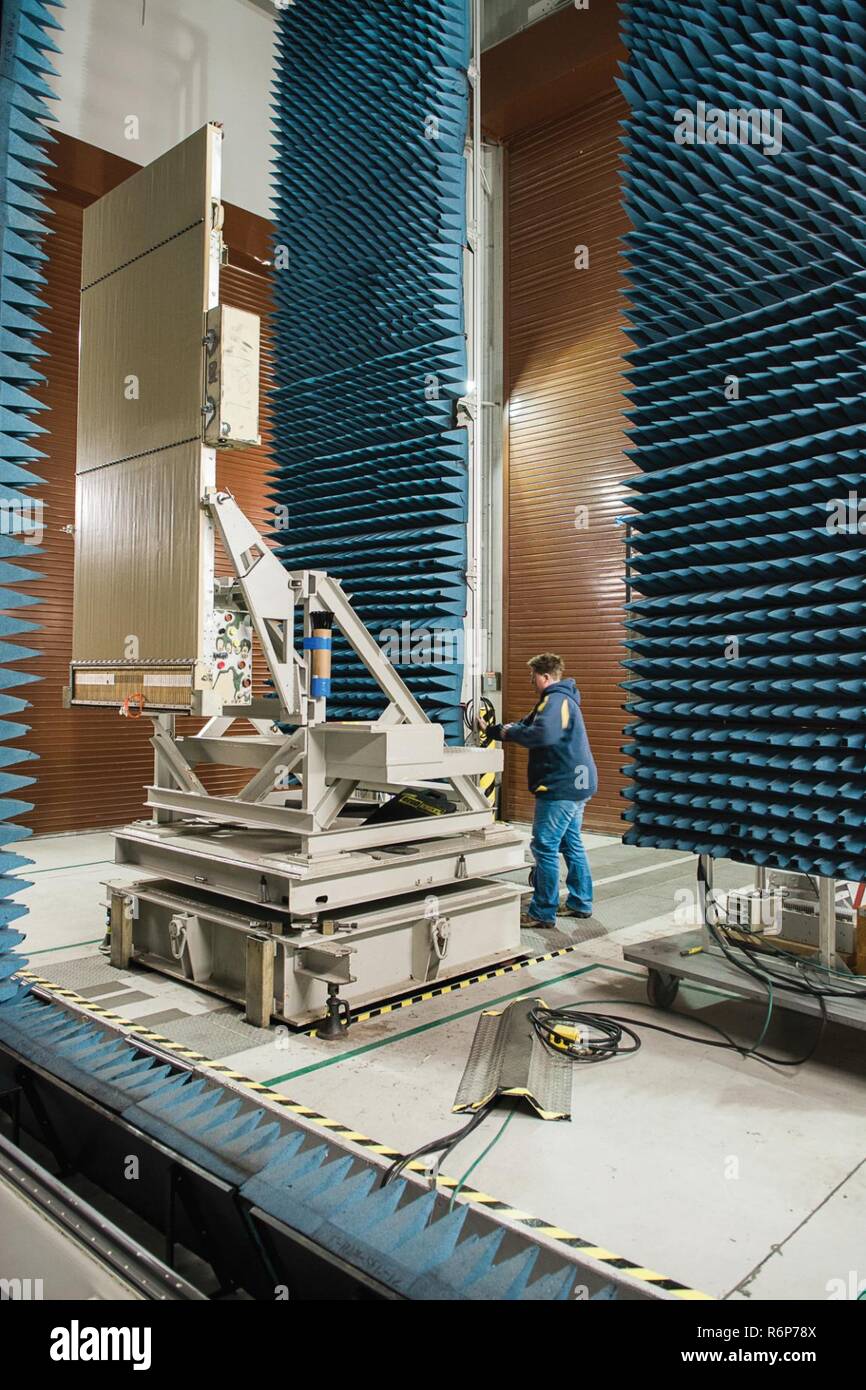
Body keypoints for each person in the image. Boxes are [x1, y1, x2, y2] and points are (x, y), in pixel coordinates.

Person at [487, 653, 597, 929]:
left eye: (533, 676)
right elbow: (530, 725)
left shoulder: (555, 700)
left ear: (545, 677)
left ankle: (542, 912)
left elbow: (542, 734)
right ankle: (580, 902)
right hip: (577, 783)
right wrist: (500, 730)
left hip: (561, 786)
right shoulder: (561, 699)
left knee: (544, 846)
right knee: (571, 844)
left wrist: (509, 734)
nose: (531, 682)